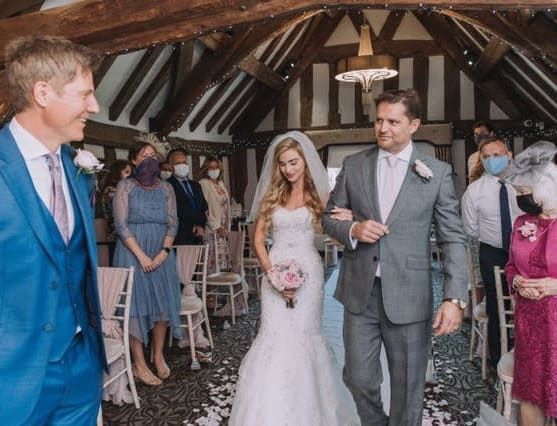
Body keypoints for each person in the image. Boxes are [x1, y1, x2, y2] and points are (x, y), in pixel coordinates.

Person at [322, 89, 468, 426]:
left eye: (393, 121)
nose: (383, 128)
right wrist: (354, 230)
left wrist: (454, 297)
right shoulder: (354, 164)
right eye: (379, 120)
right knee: (358, 378)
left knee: (408, 388)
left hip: (410, 293)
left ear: (414, 124)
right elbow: (329, 217)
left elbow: (453, 238)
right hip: (360, 294)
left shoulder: (437, 172)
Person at [0, 35, 106, 424]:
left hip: (81, 367)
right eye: (85, 94)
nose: (94, 106)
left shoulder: (79, 170)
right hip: (10, 379)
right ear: (43, 92)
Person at [229, 131, 359, 426]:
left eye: (293, 162)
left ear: (304, 161)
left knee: (305, 335)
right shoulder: (271, 196)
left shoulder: (320, 197)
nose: (288, 169)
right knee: (274, 334)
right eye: (283, 164)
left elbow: (336, 233)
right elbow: (259, 239)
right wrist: (272, 273)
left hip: (310, 275)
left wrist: (350, 222)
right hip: (274, 270)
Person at [112, 142, 182, 386]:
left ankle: (158, 354)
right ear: (133, 161)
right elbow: (121, 225)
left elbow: (173, 222)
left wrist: (164, 250)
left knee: (162, 305)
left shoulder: (166, 189)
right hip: (132, 252)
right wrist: (141, 256)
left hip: (161, 253)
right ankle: (140, 363)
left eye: (154, 156)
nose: (150, 160)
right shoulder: (125, 186)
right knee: (136, 308)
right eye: (144, 156)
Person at [504, 141, 557, 425]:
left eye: (525, 192)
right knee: (530, 394)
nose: (521, 199)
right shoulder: (522, 223)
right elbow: (511, 266)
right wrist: (518, 282)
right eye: (518, 193)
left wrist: (555, 286)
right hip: (530, 324)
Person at [461, 136, 523, 367]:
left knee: (529, 305)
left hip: (526, 253)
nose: (491, 160)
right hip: (493, 253)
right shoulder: (475, 192)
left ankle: (529, 358)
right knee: (498, 308)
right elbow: (471, 229)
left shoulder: (525, 184)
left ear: (509, 155)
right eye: (486, 157)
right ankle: (499, 361)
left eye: (496, 155)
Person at [166, 149, 208, 245]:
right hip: (179, 238)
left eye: (184, 162)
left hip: (198, 236)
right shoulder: (167, 185)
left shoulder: (196, 185)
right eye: (178, 163)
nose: (182, 165)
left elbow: (203, 207)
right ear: (172, 167)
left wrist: (200, 225)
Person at [199, 155, 232, 274]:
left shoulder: (220, 183)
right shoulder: (203, 183)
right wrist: (217, 227)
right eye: (211, 167)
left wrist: (225, 226)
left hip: (223, 228)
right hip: (212, 228)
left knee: (222, 264)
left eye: (216, 167)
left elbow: (226, 205)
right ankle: (209, 291)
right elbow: (205, 208)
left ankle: (219, 288)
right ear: (206, 169)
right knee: (211, 263)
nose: (214, 170)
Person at [101, 159, 132, 264]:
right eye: (126, 172)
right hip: (117, 235)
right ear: (117, 173)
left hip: (129, 236)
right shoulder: (111, 191)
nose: (130, 175)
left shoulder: (127, 189)